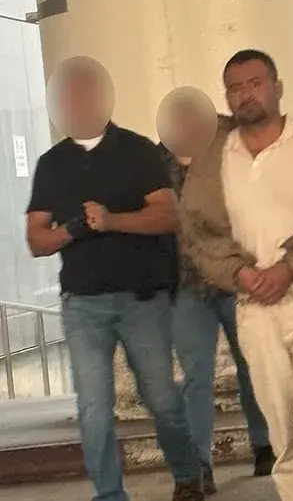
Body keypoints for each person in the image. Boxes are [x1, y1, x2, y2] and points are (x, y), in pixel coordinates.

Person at [179, 49, 293, 501]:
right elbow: (199, 233)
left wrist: (290, 268)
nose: (245, 94)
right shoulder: (214, 158)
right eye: (235, 87)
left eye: (255, 83)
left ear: (277, 87)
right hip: (254, 305)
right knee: (283, 428)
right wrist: (239, 273)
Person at [26, 58, 203, 501]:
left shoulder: (138, 151)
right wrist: (72, 230)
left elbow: (168, 216)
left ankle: (187, 474)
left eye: (84, 92)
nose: (77, 102)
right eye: (69, 95)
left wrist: (111, 220)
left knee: (161, 399)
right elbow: (36, 239)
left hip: (142, 299)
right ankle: (109, 494)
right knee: (93, 408)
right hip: (83, 305)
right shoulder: (51, 163)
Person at [158, 109, 275, 496]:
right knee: (196, 379)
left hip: (235, 279)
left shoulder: (227, 155)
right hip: (187, 286)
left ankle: (264, 445)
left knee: (251, 366)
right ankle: (200, 465)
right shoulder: (157, 165)